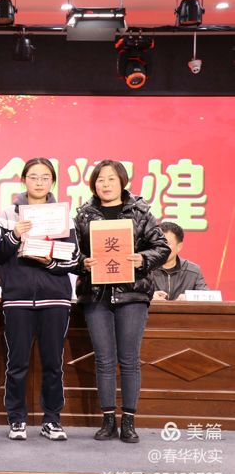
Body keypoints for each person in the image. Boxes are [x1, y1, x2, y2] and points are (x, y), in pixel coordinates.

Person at [74, 160, 170, 443]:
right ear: (94, 184)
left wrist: (142, 259)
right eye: (100, 180)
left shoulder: (140, 212)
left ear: (122, 182)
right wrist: (83, 263)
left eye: (111, 179)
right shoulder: (83, 215)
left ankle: (128, 421)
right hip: (96, 295)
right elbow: (72, 253)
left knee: (129, 359)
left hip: (132, 294)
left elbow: (162, 247)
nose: (105, 184)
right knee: (104, 359)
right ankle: (108, 421)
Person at [0, 158, 79, 441]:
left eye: (45, 177)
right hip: (17, 297)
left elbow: (74, 259)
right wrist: (15, 235)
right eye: (33, 177)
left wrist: (50, 261)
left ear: (52, 181)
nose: (39, 182)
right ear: (23, 180)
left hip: (55, 297)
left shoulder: (64, 215)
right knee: (17, 363)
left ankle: (52, 420)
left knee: (53, 363)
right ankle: (16, 419)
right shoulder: (8, 214)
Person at [152, 221, 209, 301]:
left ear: (179, 246)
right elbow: (133, 294)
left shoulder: (193, 271)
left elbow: (208, 297)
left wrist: (189, 297)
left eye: (167, 243)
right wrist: (148, 297)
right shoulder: (144, 269)